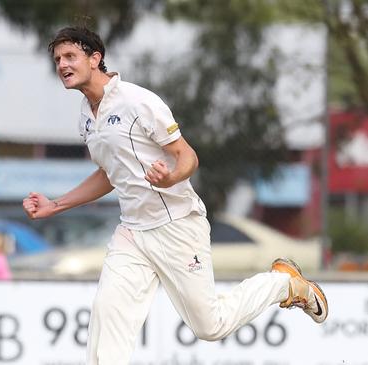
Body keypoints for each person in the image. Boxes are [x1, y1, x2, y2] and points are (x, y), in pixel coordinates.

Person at [22, 26, 329, 365]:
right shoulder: (86, 114)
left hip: (176, 225)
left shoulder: (138, 101)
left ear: (95, 58)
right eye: (57, 60)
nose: (62, 65)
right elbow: (109, 173)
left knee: (211, 326)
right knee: (107, 318)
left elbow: (188, 157)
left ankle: (284, 284)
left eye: (70, 56)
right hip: (133, 232)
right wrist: (57, 204)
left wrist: (170, 179)